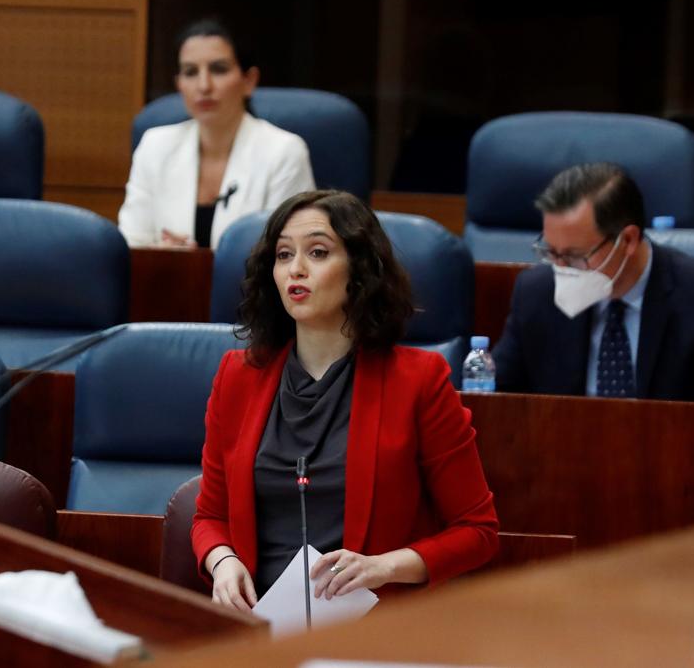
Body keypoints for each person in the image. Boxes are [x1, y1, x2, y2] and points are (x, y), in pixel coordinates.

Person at [192, 190, 499, 610]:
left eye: (317, 252)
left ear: (358, 270)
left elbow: (476, 531)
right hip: (257, 627)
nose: (295, 269)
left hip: (371, 633)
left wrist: (385, 567)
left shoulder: (418, 381)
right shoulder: (238, 376)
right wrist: (223, 561)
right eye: (283, 255)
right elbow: (210, 517)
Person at [493, 162, 694, 404]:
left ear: (628, 241)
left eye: (575, 256)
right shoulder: (536, 293)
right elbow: (494, 401)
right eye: (551, 252)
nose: (561, 269)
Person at [117, 18, 315, 250]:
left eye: (218, 69)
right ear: (179, 84)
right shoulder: (155, 146)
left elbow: (291, 252)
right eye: (190, 72)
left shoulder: (283, 152)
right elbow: (132, 245)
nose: (203, 86)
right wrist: (164, 254)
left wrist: (199, 265)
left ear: (248, 81)